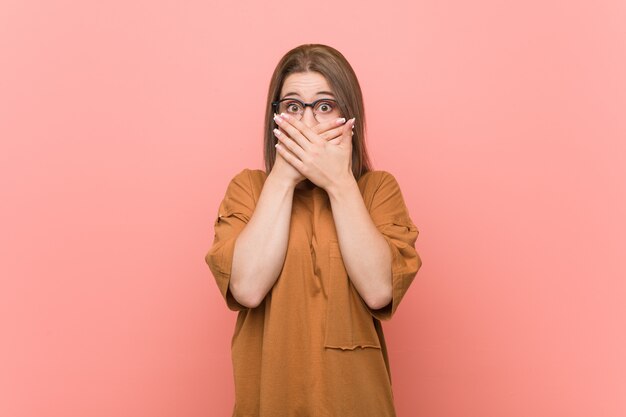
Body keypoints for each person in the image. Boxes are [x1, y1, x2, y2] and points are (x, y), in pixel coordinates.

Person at [205, 44, 422, 417]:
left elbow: (378, 289)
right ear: (275, 118)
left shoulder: (377, 190)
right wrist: (284, 176)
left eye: (324, 107)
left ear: (348, 116)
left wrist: (339, 183)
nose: (307, 123)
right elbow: (247, 287)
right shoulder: (248, 189)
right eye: (292, 107)